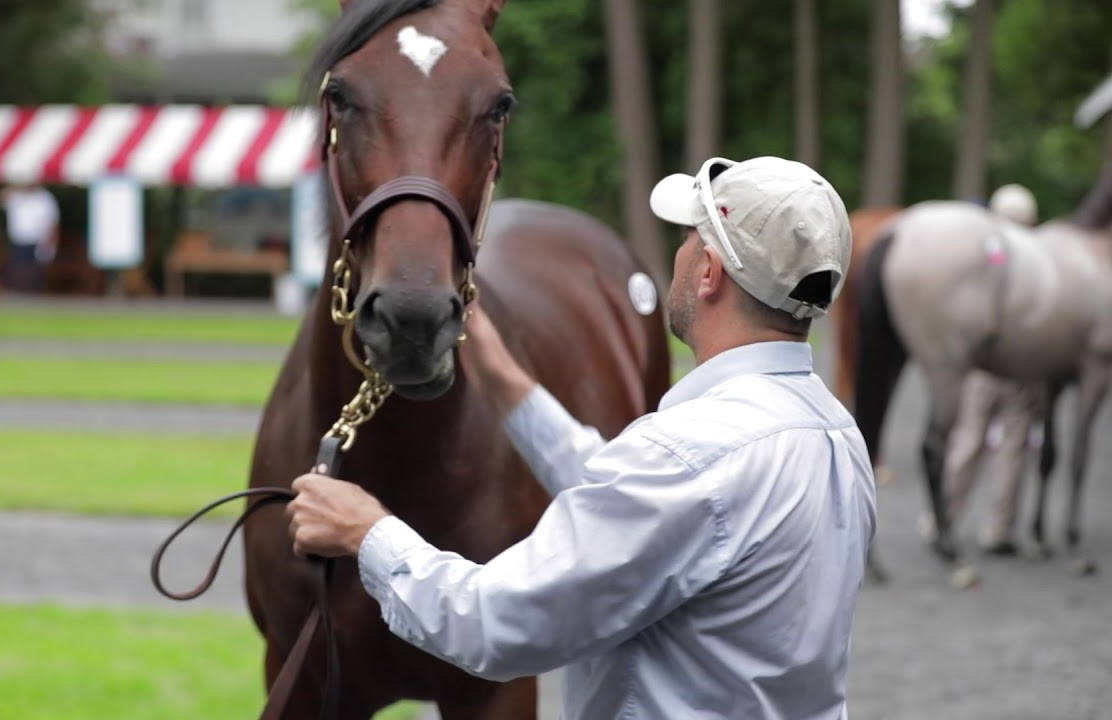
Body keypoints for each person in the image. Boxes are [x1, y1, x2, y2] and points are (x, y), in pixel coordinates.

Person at [287, 156, 877, 719]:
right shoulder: (836, 435)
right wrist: (508, 384)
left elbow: (495, 622)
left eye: (688, 238)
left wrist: (366, 532)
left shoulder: (690, 456)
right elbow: (650, 513)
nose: (679, 252)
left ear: (709, 273)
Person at [940, 183, 1047, 556]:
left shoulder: (985, 258)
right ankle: (998, 529)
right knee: (1014, 445)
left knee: (968, 439)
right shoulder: (1040, 263)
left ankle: (945, 516)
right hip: (1023, 369)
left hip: (984, 365)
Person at [0, 182, 59, 292]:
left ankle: (33, 296)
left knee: (35, 273)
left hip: (39, 241)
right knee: (18, 271)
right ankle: (18, 294)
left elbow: (53, 222)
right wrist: (15, 185)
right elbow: (0, 199)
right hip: (19, 242)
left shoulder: (44, 197)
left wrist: (50, 242)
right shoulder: (15, 195)